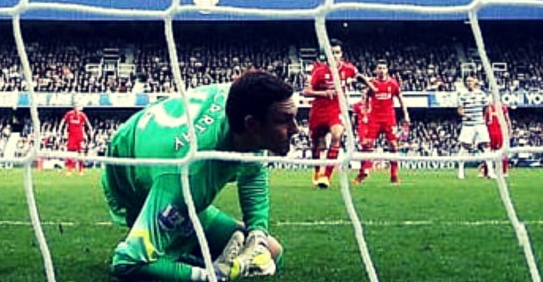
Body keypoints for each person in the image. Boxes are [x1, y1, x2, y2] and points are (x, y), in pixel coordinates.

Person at [101, 70, 297, 281]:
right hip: (131, 180)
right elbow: (126, 263)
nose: (295, 129)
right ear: (252, 125)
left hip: (161, 151)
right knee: (145, 260)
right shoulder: (190, 176)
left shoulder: (242, 105)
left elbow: (253, 172)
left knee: (271, 252)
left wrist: (257, 236)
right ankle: (181, 255)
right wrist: (211, 277)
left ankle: (186, 253)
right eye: (284, 120)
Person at [302, 39, 370, 189]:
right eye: (331, 53)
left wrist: (371, 85)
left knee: (337, 135)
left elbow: (358, 75)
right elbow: (306, 92)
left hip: (337, 109)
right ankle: (317, 170)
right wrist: (324, 93)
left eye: (337, 52)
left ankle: (326, 176)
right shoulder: (318, 71)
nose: (335, 55)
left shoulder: (348, 69)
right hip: (319, 110)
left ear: (341, 54)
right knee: (318, 144)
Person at [353, 60, 409, 186]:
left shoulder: (393, 83)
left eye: (384, 67)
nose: (382, 70)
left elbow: (401, 98)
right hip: (374, 119)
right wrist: (365, 113)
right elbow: (365, 98)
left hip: (389, 119)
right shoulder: (371, 83)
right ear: (376, 70)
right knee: (367, 145)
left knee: (393, 145)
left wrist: (406, 114)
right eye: (380, 68)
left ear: (387, 69)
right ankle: (363, 172)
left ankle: (394, 175)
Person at [456, 75, 490, 180]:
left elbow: (486, 107)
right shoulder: (462, 95)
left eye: (470, 80)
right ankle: (461, 171)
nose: (469, 82)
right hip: (468, 125)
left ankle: (490, 171)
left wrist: (483, 118)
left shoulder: (481, 94)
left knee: (486, 145)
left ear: (475, 81)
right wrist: (465, 115)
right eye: (467, 81)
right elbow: (459, 110)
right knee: (465, 146)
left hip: (480, 124)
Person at [58, 105, 94, 176]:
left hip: (80, 137)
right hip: (71, 137)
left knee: (81, 153)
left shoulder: (82, 115)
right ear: (74, 107)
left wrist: (91, 130)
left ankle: (81, 170)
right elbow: (63, 121)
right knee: (70, 153)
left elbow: (87, 123)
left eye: (79, 107)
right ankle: (69, 169)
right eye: (77, 107)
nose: (79, 108)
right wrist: (59, 129)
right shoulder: (69, 114)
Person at [485, 101, 512, 179]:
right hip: (490, 132)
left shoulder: (503, 107)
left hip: (501, 132)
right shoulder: (488, 108)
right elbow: (485, 121)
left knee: (502, 151)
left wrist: (510, 130)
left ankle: (504, 171)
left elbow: (507, 119)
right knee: (488, 152)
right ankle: (488, 171)